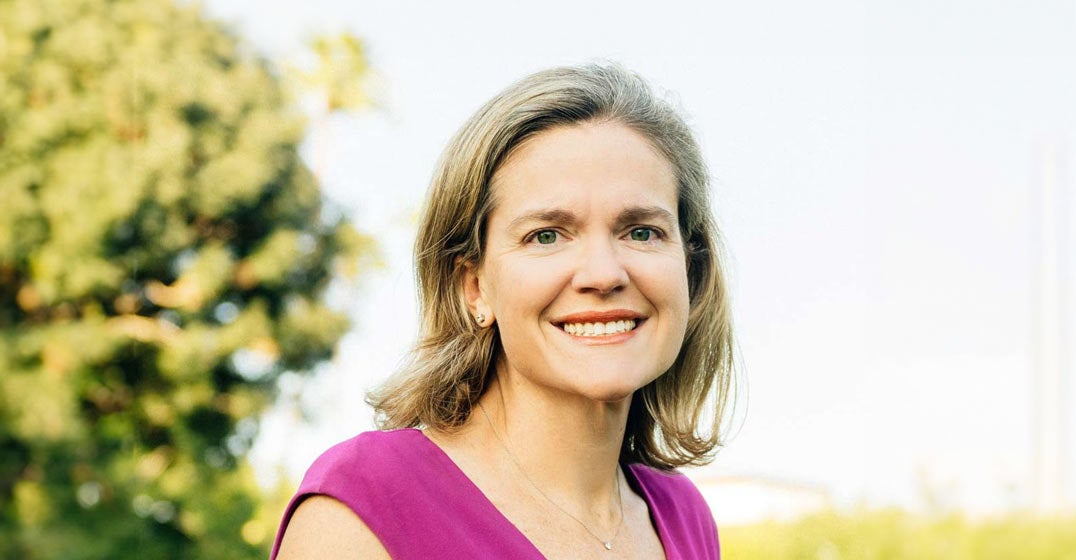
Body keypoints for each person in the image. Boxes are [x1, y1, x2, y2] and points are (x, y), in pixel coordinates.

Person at [271, 63, 735, 560]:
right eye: (546, 235)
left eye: (641, 231)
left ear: (690, 266)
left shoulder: (684, 517)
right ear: (475, 288)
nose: (603, 274)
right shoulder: (366, 504)